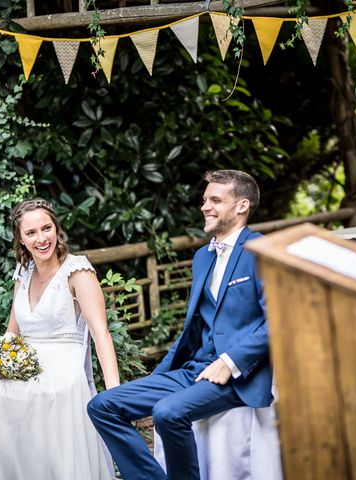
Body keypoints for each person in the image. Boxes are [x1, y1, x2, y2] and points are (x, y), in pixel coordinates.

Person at [88, 169, 271, 480]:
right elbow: (196, 324)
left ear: (242, 206)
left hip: (239, 376)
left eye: (215, 199)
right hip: (194, 369)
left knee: (167, 412)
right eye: (204, 200)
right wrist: (157, 376)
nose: (204, 206)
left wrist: (230, 362)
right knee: (102, 406)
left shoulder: (260, 250)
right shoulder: (203, 257)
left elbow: (277, 322)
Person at [0, 198, 119, 480]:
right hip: (25, 367)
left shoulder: (77, 271)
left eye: (47, 228)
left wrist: (115, 395)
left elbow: (101, 334)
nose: (42, 238)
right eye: (31, 233)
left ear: (56, 228)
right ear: (20, 239)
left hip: (62, 374)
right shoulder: (23, 273)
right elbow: (13, 331)